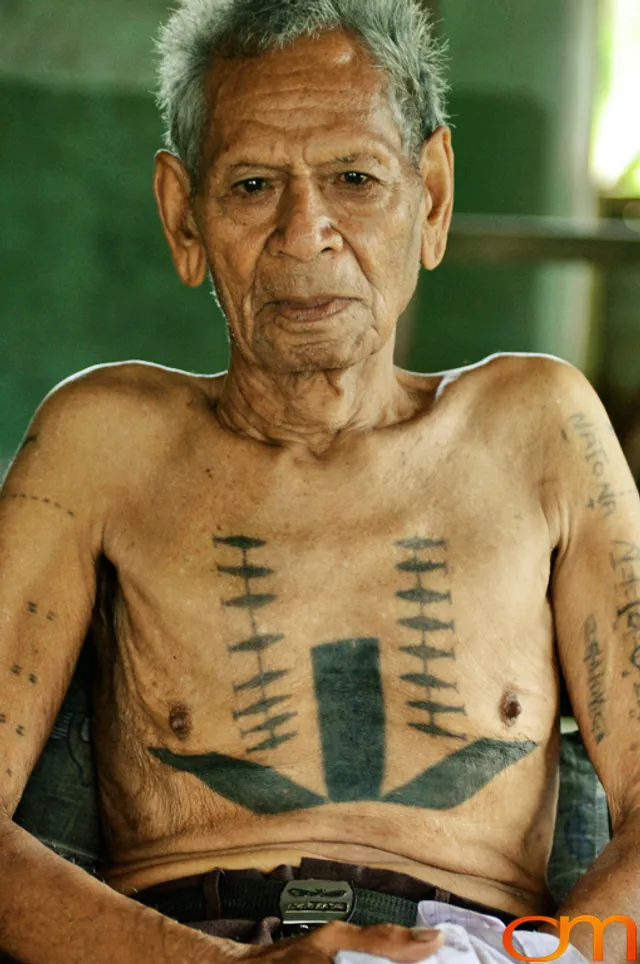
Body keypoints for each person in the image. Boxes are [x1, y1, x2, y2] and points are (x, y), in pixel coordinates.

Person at [1, 1, 639, 962]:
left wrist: (533, 963)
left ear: (431, 196)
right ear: (184, 216)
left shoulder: (539, 428)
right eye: (254, 185)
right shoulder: (102, 441)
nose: (308, 234)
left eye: (354, 179)